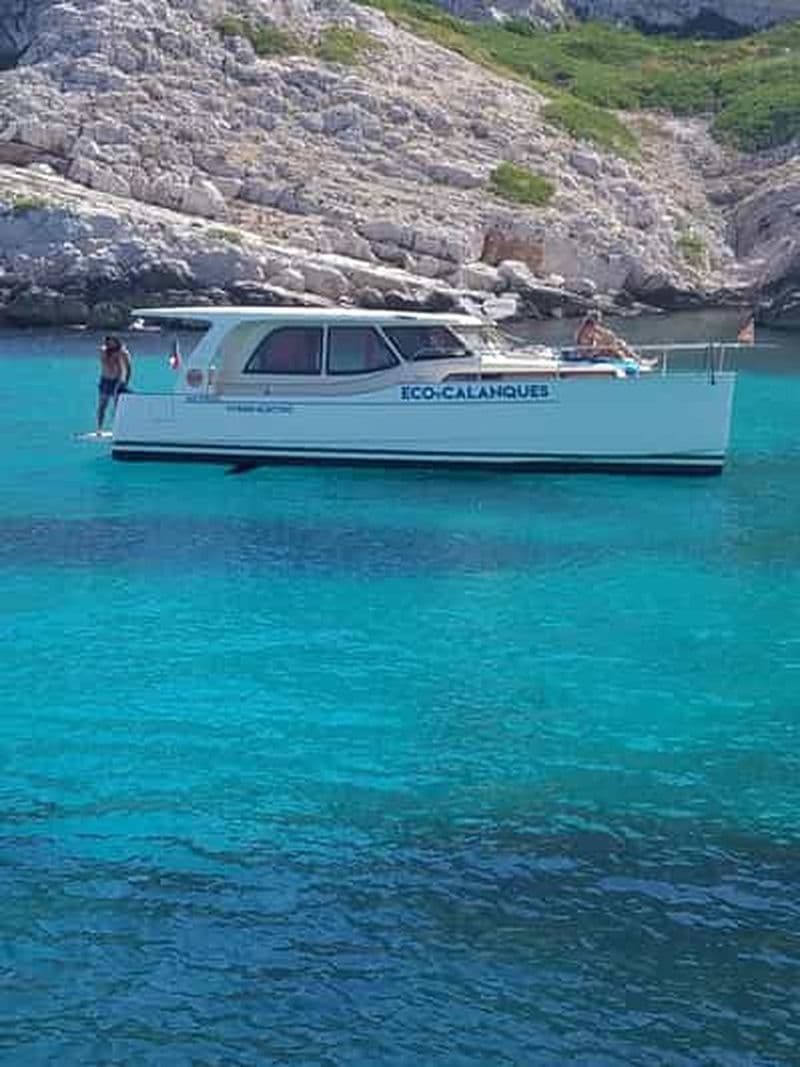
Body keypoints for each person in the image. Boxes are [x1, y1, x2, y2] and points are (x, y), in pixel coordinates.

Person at [575, 310, 654, 368]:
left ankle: (636, 361)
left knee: (618, 343)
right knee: (616, 346)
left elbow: (608, 334)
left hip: (594, 351)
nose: (600, 321)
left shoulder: (592, 327)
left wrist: (610, 339)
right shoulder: (587, 329)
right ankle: (639, 361)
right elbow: (591, 345)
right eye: (599, 319)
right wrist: (606, 341)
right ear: (594, 320)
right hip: (588, 355)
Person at [97, 335, 132, 431]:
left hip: (117, 381)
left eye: (112, 341)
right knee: (102, 406)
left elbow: (129, 368)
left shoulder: (122, 352)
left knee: (118, 406)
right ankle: (99, 428)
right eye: (108, 341)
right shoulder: (103, 351)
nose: (110, 343)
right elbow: (103, 359)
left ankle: (118, 428)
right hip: (105, 380)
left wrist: (125, 382)